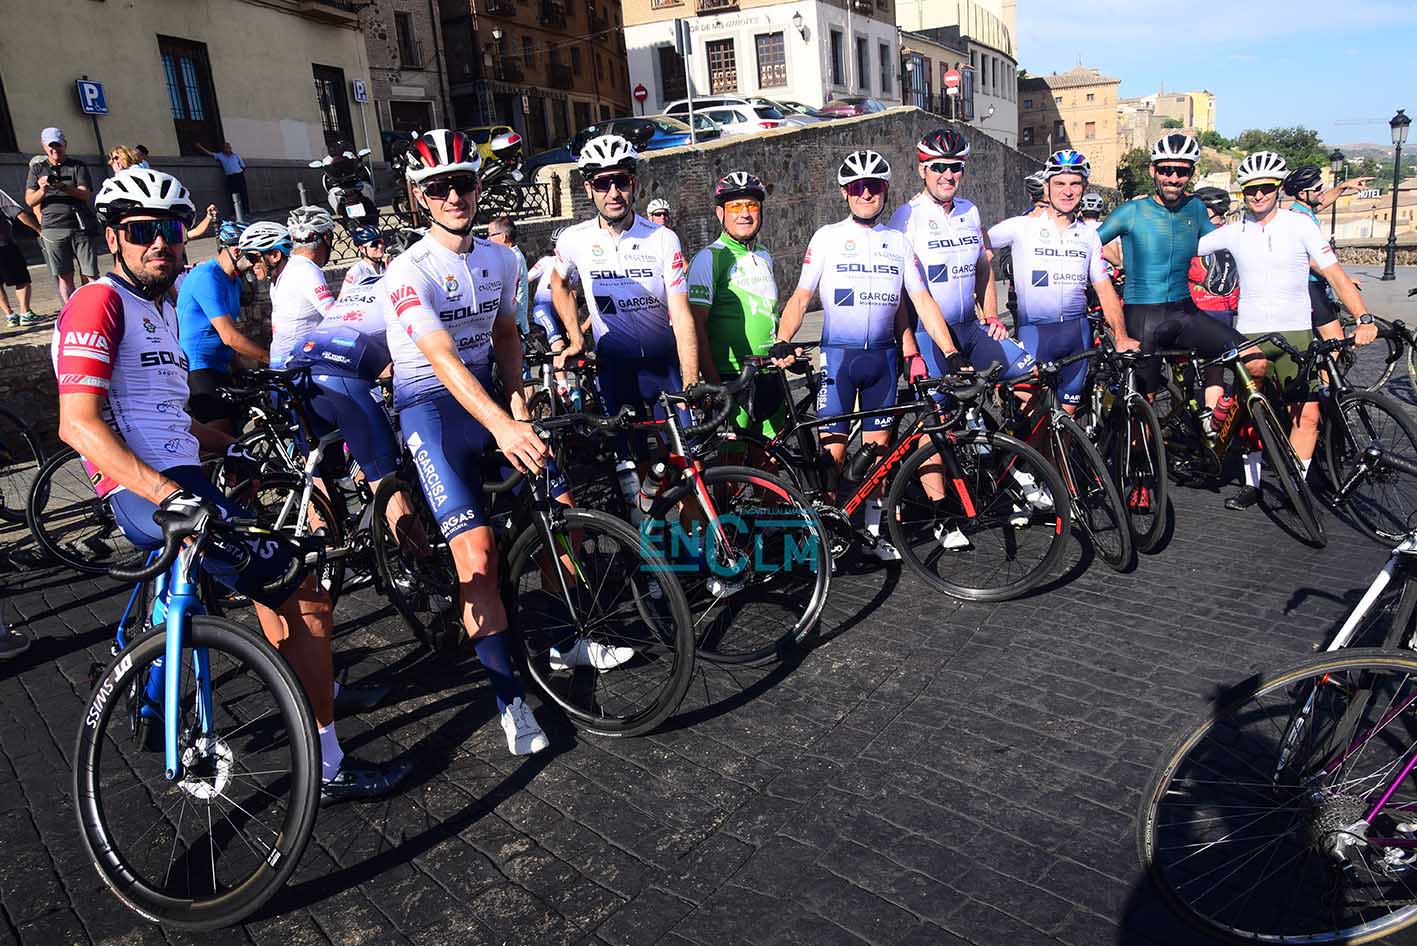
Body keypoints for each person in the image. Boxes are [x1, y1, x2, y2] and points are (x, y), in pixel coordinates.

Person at [52, 167, 408, 804]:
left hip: (183, 474)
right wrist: (168, 496)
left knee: (274, 575)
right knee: (305, 593)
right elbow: (76, 425)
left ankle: (306, 686)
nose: (159, 242)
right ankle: (327, 765)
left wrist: (233, 446)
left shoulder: (159, 307)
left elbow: (168, 416)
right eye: (141, 231)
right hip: (151, 489)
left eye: (171, 229)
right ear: (112, 238)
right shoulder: (98, 302)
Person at [387, 129, 626, 756]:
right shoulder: (408, 270)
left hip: (490, 401)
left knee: (561, 511)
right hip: (432, 411)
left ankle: (564, 635)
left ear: (477, 187)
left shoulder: (501, 260)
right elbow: (440, 357)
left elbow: (505, 335)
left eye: (463, 183)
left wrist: (517, 401)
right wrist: (501, 423)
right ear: (419, 197)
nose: (454, 197)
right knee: (479, 556)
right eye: (439, 188)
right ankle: (509, 698)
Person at [776, 149, 965, 560]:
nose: (866, 194)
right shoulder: (827, 237)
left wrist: (950, 352)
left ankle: (873, 532)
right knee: (832, 455)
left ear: (884, 191)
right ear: (845, 192)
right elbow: (801, 296)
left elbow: (923, 301)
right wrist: (783, 338)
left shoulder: (898, 242)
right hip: (839, 360)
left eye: (874, 186)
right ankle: (825, 533)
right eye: (858, 187)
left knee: (878, 454)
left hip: (882, 361)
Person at [1197, 150, 1376, 511]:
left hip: (1296, 332)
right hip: (1251, 335)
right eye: (1250, 189)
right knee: (1252, 415)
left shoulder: (1300, 225)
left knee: (1306, 414)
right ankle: (1252, 484)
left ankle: (1297, 484)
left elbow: (1334, 273)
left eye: (1265, 187)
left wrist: (1363, 317)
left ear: (1278, 187)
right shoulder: (1232, 232)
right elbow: (1175, 248)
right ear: (1243, 192)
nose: (1258, 195)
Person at [551, 135, 698, 433]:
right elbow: (559, 284)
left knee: (686, 452)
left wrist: (691, 379)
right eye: (603, 184)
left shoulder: (662, 238)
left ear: (634, 184)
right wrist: (576, 338)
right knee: (628, 457)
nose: (614, 193)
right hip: (613, 368)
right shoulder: (574, 239)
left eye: (621, 181)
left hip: (664, 366)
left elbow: (682, 314)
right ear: (588, 189)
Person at [1097, 133, 1252, 411]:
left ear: (1191, 174)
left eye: (1182, 171)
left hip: (1186, 312)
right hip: (1143, 315)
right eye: (1166, 170)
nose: (1173, 178)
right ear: (1153, 170)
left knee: (1254, 358)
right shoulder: (1132, 211)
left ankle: (1219, 424)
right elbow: (1087, 246)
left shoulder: (1196, 208)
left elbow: (1220, 243)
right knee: (1144, 405)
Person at [988, 150, 1137, 418]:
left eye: (1074, 184)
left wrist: (1121, 336)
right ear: (1046, 187)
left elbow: (1104, 287)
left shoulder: (1089, 235)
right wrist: (986, 312)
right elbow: (974, 250)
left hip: (1076, 336)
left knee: (1065, 421)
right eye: (1059, 183)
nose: (1067, 191)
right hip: (1035, 334)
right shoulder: (1021, 227)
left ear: (1084, 187)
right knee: (1034, 418)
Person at [886, 128, 1035, 385]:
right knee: (943, 409)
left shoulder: (970, 211)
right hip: (928, 336)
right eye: (938, 167)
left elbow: (983, 267)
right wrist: (908, 346)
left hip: (971, 328)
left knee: (1032, 379)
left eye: (955, 167)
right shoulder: (906, 216)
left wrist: (991, 315)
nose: (948, 175)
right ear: (922, 170)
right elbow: (895, 290)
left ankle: (1004, 409)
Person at [688, 171, 785, 436]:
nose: (745, 214)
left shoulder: (764, 255)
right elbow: (696, 328)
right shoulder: (709, 258)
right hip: (730, 376)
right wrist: (714, 385)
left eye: (751, 205)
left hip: (769, 372)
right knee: (733, 454)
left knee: (772, 455)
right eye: (735, 207)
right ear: (720, 213)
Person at [177, 221, 268, 432]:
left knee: (241, 426)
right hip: (199, 367)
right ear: (236, 251)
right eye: (252, 257)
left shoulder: (233, 281)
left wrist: (240, 369)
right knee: (221, 433)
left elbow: (225, 333)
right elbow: (230, 337)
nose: (255, 264)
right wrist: (270, 359)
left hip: (221, 365)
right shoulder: (207, 277)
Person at [1283, 164, 1370, 340]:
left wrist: (1343, 186)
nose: (1322, 191)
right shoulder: (1299, 219)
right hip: (1310, 286)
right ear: (1303, 194)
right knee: (1335, 341)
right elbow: (1312, 261)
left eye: (1322, 185)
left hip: (1314, 285)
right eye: (1317, 189)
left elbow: (1322, 202)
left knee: (1321, 341)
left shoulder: (1304, 211)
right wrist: (1342, 280)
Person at [24, 127, 97, 305]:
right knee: (65, 276)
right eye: (51, 146)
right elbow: (29, 200)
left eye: (58, 145)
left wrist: (63, 187)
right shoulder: (37, 169)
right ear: (44, 146)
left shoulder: (77, 166)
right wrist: (43, 189)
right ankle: (71, 310)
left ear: (65, 145)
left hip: (79, 225)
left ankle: (93, 307)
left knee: (91, 274)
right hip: (53, 228)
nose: (54, 149)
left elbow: (85, 194)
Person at [260, 206, 337, 369]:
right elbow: (335, 318)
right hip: (299, 365)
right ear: (326, 237)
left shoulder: (286, 267)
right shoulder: (307, 270)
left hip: (280, 360)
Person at [0, 189, 40, 326]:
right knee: (21, 279)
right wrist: (38, 229)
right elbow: (18, 212)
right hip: (4, 245)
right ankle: (25, 313)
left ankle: (10, 316)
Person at [486, 216, 530, 334]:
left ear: (503, 237)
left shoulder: (512, 258)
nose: (487, 239)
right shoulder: (510, 256)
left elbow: (508, 292)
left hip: (513, 327)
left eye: (490, 235)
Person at [199, 141, 249, 219]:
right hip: (230, 177)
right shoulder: (220, 155)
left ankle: (246, 211)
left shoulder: (236, 156)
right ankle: (234, 212)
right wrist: (200, 147)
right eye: (226, 148)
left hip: (239, 175)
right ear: (224, 149)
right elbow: (210, 153)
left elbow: (243, 166)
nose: (228, 149)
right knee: (232, 194)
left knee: (243, 193)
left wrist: (240, 173)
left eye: (229, 147)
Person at [338, 225, 388, 297]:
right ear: (362, 249)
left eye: (381, 242)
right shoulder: (356, 271)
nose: (380, 246)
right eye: (374, 244)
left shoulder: (386, 266)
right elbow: (342, 297)